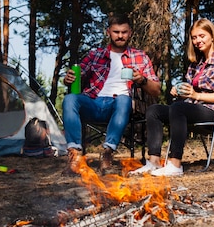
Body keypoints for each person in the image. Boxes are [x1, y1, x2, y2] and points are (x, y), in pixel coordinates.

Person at [130, 18, 214, 177]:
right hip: (196, 108)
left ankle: (175, 164)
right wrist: (179, 91)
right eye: (194, 38)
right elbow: (189, 90)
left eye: (202, 36)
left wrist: (195, 95)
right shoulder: (196, 64)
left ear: (212, 36)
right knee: (154, 110)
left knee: (179, 108)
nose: (198, 41)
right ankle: (153, 162)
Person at [62, 13, 161, 175]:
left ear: (130, 33)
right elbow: (75, 78)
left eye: (124, 32)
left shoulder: (140, 56)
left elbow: (156, 90)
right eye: (116, 32)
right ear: (108, 32)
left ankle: (107, 153)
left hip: (120, 106)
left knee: (124, 99)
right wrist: (68, 79)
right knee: (70, 99)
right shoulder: (95, 55)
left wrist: (142, 80)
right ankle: (74, 155)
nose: (120, 36)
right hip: (93, 102)